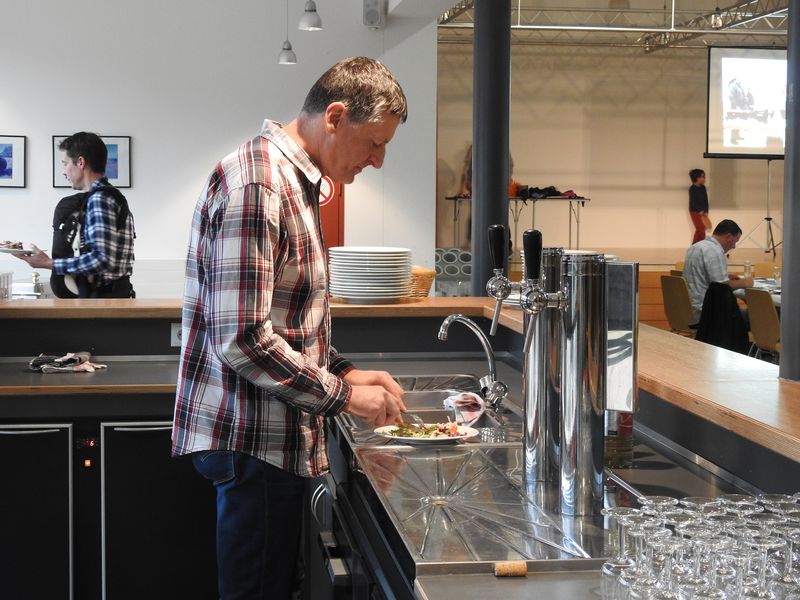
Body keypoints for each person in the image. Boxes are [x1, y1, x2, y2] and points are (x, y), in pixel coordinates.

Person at [171, 57, 408, 600]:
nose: (378, 160)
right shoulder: (260, 183)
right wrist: (345, 396)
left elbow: (288, 320)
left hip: (268, 438)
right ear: (335, 116)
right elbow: (242, 339)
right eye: (374, 143)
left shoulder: (291, 182)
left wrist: (347, 370)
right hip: (252, 440)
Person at [15, 132, 136, 298]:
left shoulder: (100, 199)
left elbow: (101, 260)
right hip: (109, 299)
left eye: (65, 164)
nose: (64, 172)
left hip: (103, 303)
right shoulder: (109, 197)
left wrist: (48, 263)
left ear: (80, 162)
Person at [683, 219, 753, 325]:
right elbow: (721, 288)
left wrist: (727, 276)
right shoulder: (714, 251)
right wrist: (745, 282)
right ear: (728, 237)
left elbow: (701, 276)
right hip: (706, 314)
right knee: (758, 316)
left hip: (689, 310)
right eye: (735, 241)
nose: (734, 246)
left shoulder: (696, 247)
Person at [688, 168, 711, 245]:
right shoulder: (692, 189)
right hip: (694, 211)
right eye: (702, 177)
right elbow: (693, 202)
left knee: (702, 228)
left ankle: (698, 245)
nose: (704, 178)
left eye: (704, 177)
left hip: (703, 212)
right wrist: (699, 210)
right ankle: (696, 245)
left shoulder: (703, 188)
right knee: (701, 228)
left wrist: (706, 211)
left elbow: (705, 201)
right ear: (697, 178)